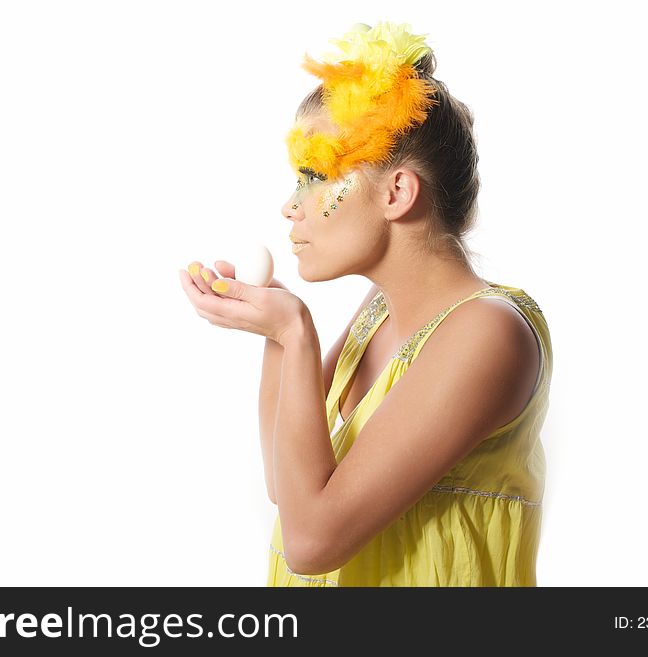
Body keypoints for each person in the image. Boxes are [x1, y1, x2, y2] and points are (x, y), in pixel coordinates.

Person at [178, 21, 552, 586]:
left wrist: (298, 333)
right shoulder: (378, 312)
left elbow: (311, 542)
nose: (290, 206)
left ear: (397, 192)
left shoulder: (489, 332)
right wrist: (277, 336)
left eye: (316, 176)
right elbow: (291, 488)